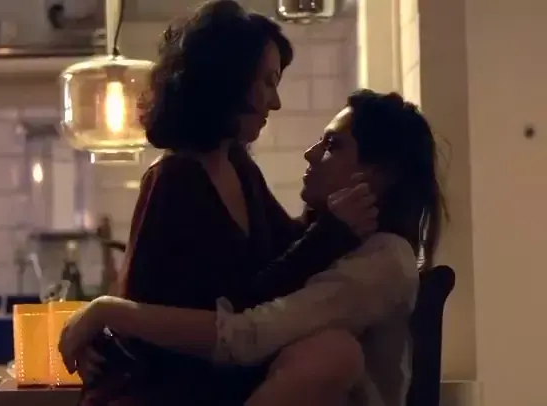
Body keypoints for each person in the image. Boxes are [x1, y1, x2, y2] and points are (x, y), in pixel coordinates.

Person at [65, 1, 381, 405]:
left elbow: (285, 262)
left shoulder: (240, 169)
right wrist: (331, 234)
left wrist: (330, 215)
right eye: (267, 82)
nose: (275, 101)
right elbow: (227, 312)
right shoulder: (174, 180)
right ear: (229, 81)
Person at [60, 89, 447, 406]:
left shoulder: (381, 262)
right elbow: (254, 291)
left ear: (378, 174)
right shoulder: (339, 243)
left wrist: (108, 310)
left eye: (333, 145)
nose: (311, 153)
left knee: (333, 352)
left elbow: (244, 336)